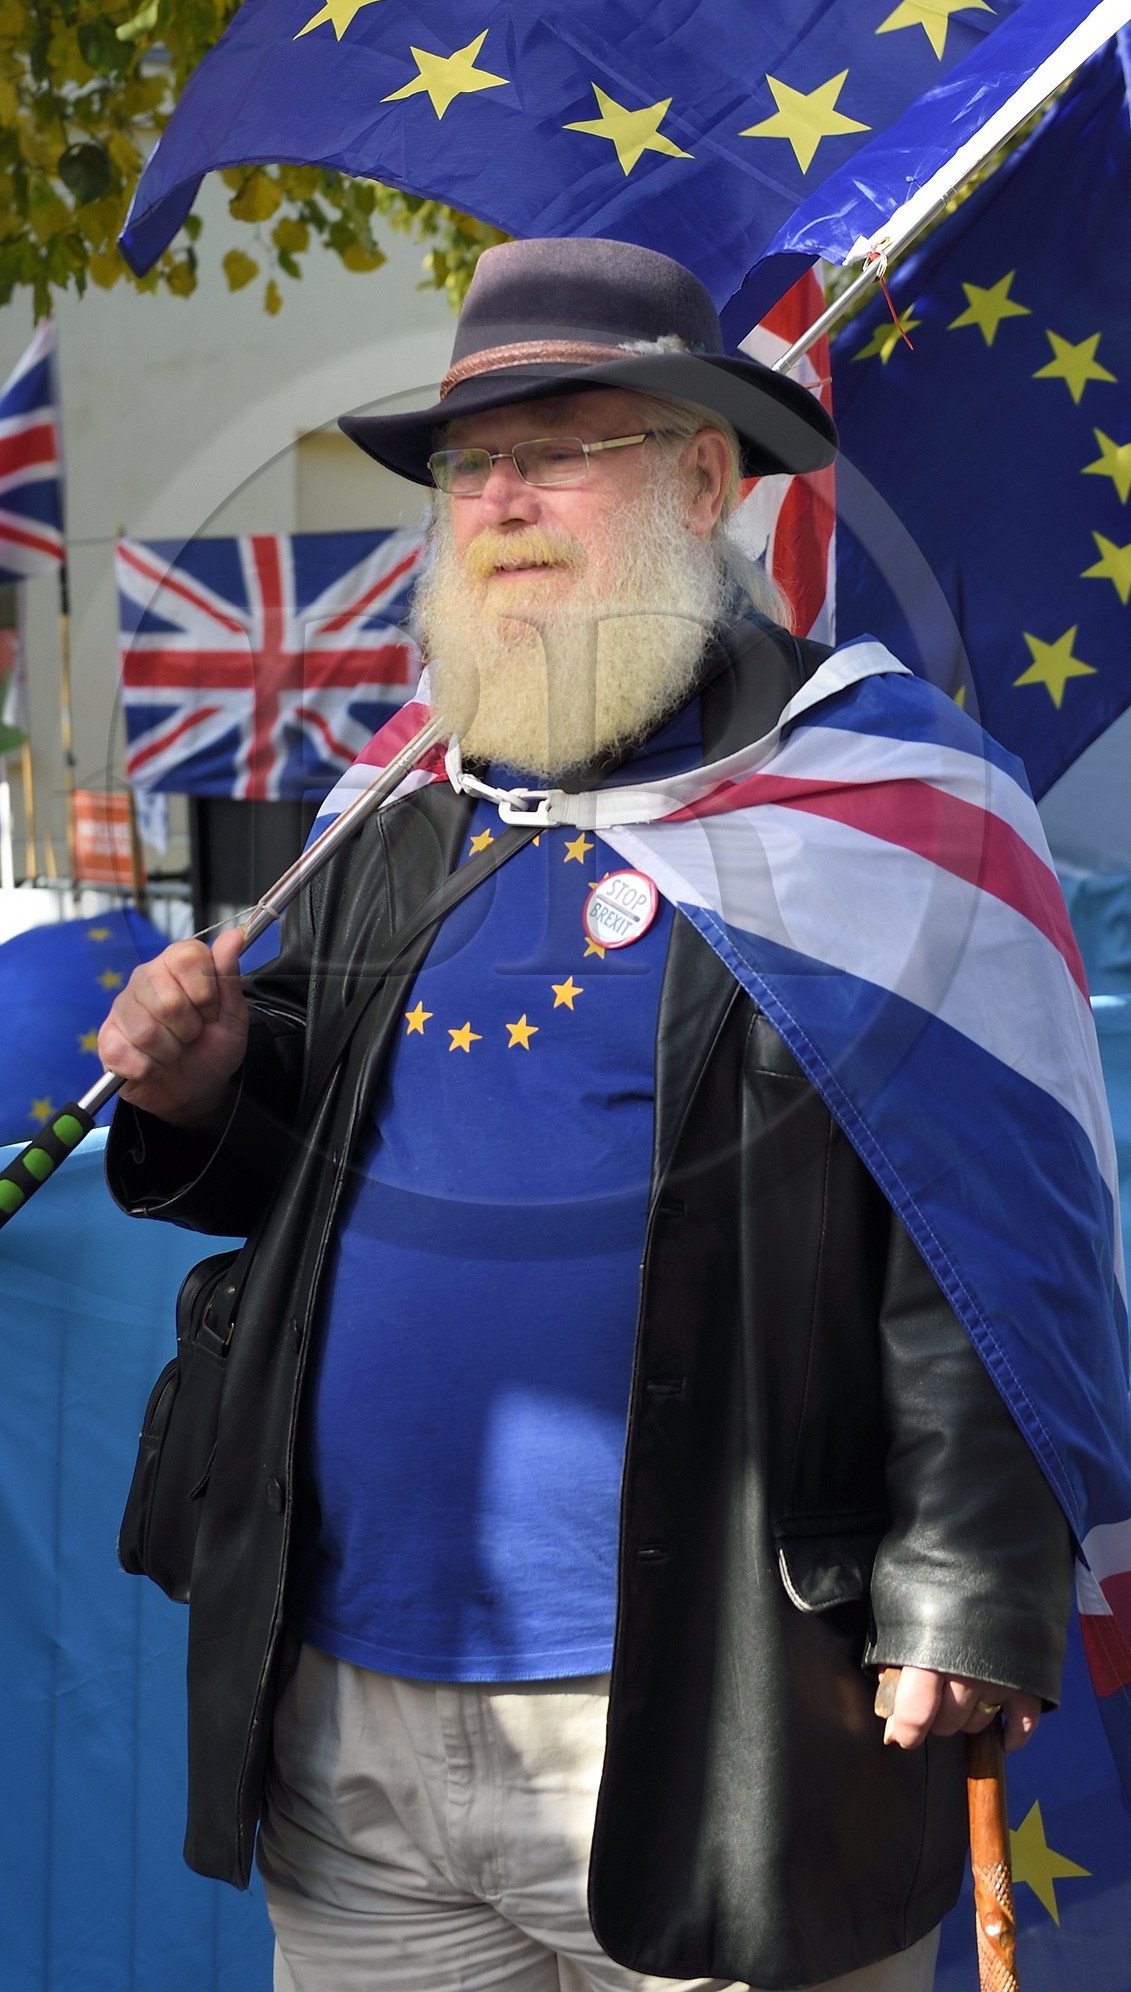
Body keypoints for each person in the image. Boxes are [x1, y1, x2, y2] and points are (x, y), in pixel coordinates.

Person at [98, 237, 1074, 1992]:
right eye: (470, 464)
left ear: (704, 478)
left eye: (559, 447)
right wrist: (205, 1084)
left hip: (721, 1714)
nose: (500, 499)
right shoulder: (403, 814)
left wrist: (969, 1581)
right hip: (352, 1711)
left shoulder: (887, 803)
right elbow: (296, 1169)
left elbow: (989, 1231)